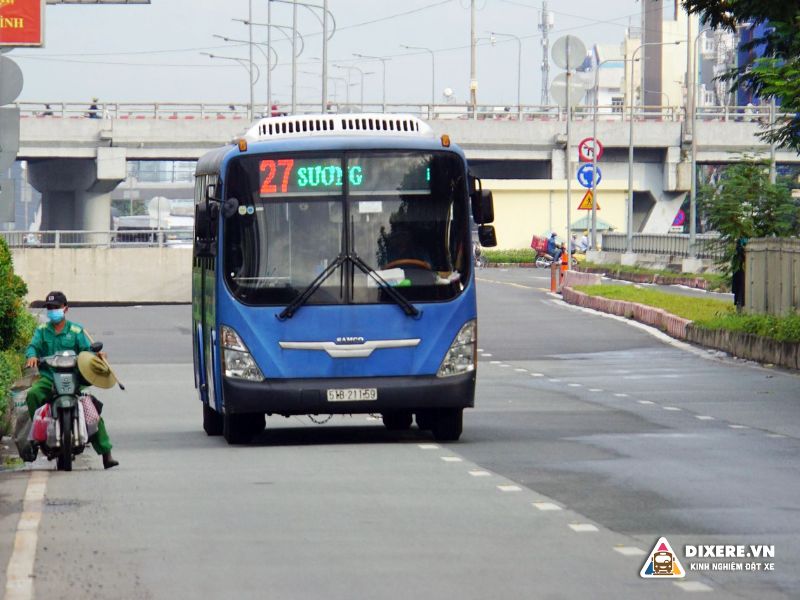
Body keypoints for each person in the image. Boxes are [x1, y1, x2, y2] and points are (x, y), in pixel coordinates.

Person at [24, 291, 119, 469]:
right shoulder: (42, 331)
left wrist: (96, 356)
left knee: (91, 409)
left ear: (65, 309)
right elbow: (33, 347)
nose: (52, 311)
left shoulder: (76, 330)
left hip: (73, 379)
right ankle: (36, 440)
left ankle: (106, 453)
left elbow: (86, 351)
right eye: (49, 308)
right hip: (49, 378)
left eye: (56, 307)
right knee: (33, 395)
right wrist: (32, 356)